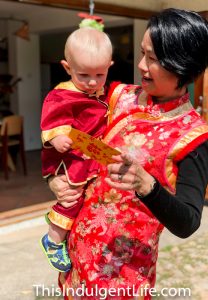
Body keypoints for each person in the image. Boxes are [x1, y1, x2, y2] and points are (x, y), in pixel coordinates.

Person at [48, 8, 208, 299]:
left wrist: (146, 185)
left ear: (181, 66)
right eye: (143, 53)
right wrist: (56, 178)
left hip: (124, 277)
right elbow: (68, 132)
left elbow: (188, 221)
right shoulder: (117, 96)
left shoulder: (194, 136)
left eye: (152, 59)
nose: (140, 65)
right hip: (78, 261)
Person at [40, 26, 113, 272]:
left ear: (109, 67)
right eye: (83, 75)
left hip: (93, 155)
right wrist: (56, 137)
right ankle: (53, 238)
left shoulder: (105, 91)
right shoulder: (61, 95)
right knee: (70, 197)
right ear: (67, 67)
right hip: (70, 157)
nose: (92, 82)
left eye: (99, 75)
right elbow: (50, 121)